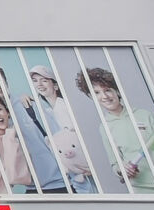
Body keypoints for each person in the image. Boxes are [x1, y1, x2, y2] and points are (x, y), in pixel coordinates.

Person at [78, 67, 154, 196]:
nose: (104, 96)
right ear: (91, 97)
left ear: (117, 91)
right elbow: (115, 163)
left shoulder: (145, 115)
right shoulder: (104, 127)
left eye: (107, 90)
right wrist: (122, 169)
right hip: (141, 190)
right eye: (97, 92)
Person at [0, 62, 66, 192]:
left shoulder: (28, 105)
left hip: (58, 182)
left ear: (6, 82)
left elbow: (59, 136)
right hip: (31, 186)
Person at [23, 67, 98, 195]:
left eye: (44, 80)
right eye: (35, 81)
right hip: (74, 171)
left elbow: (76, 139)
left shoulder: (63, 107)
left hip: (81, 169)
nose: (39, 84)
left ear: (55, 85)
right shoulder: (50, 110)